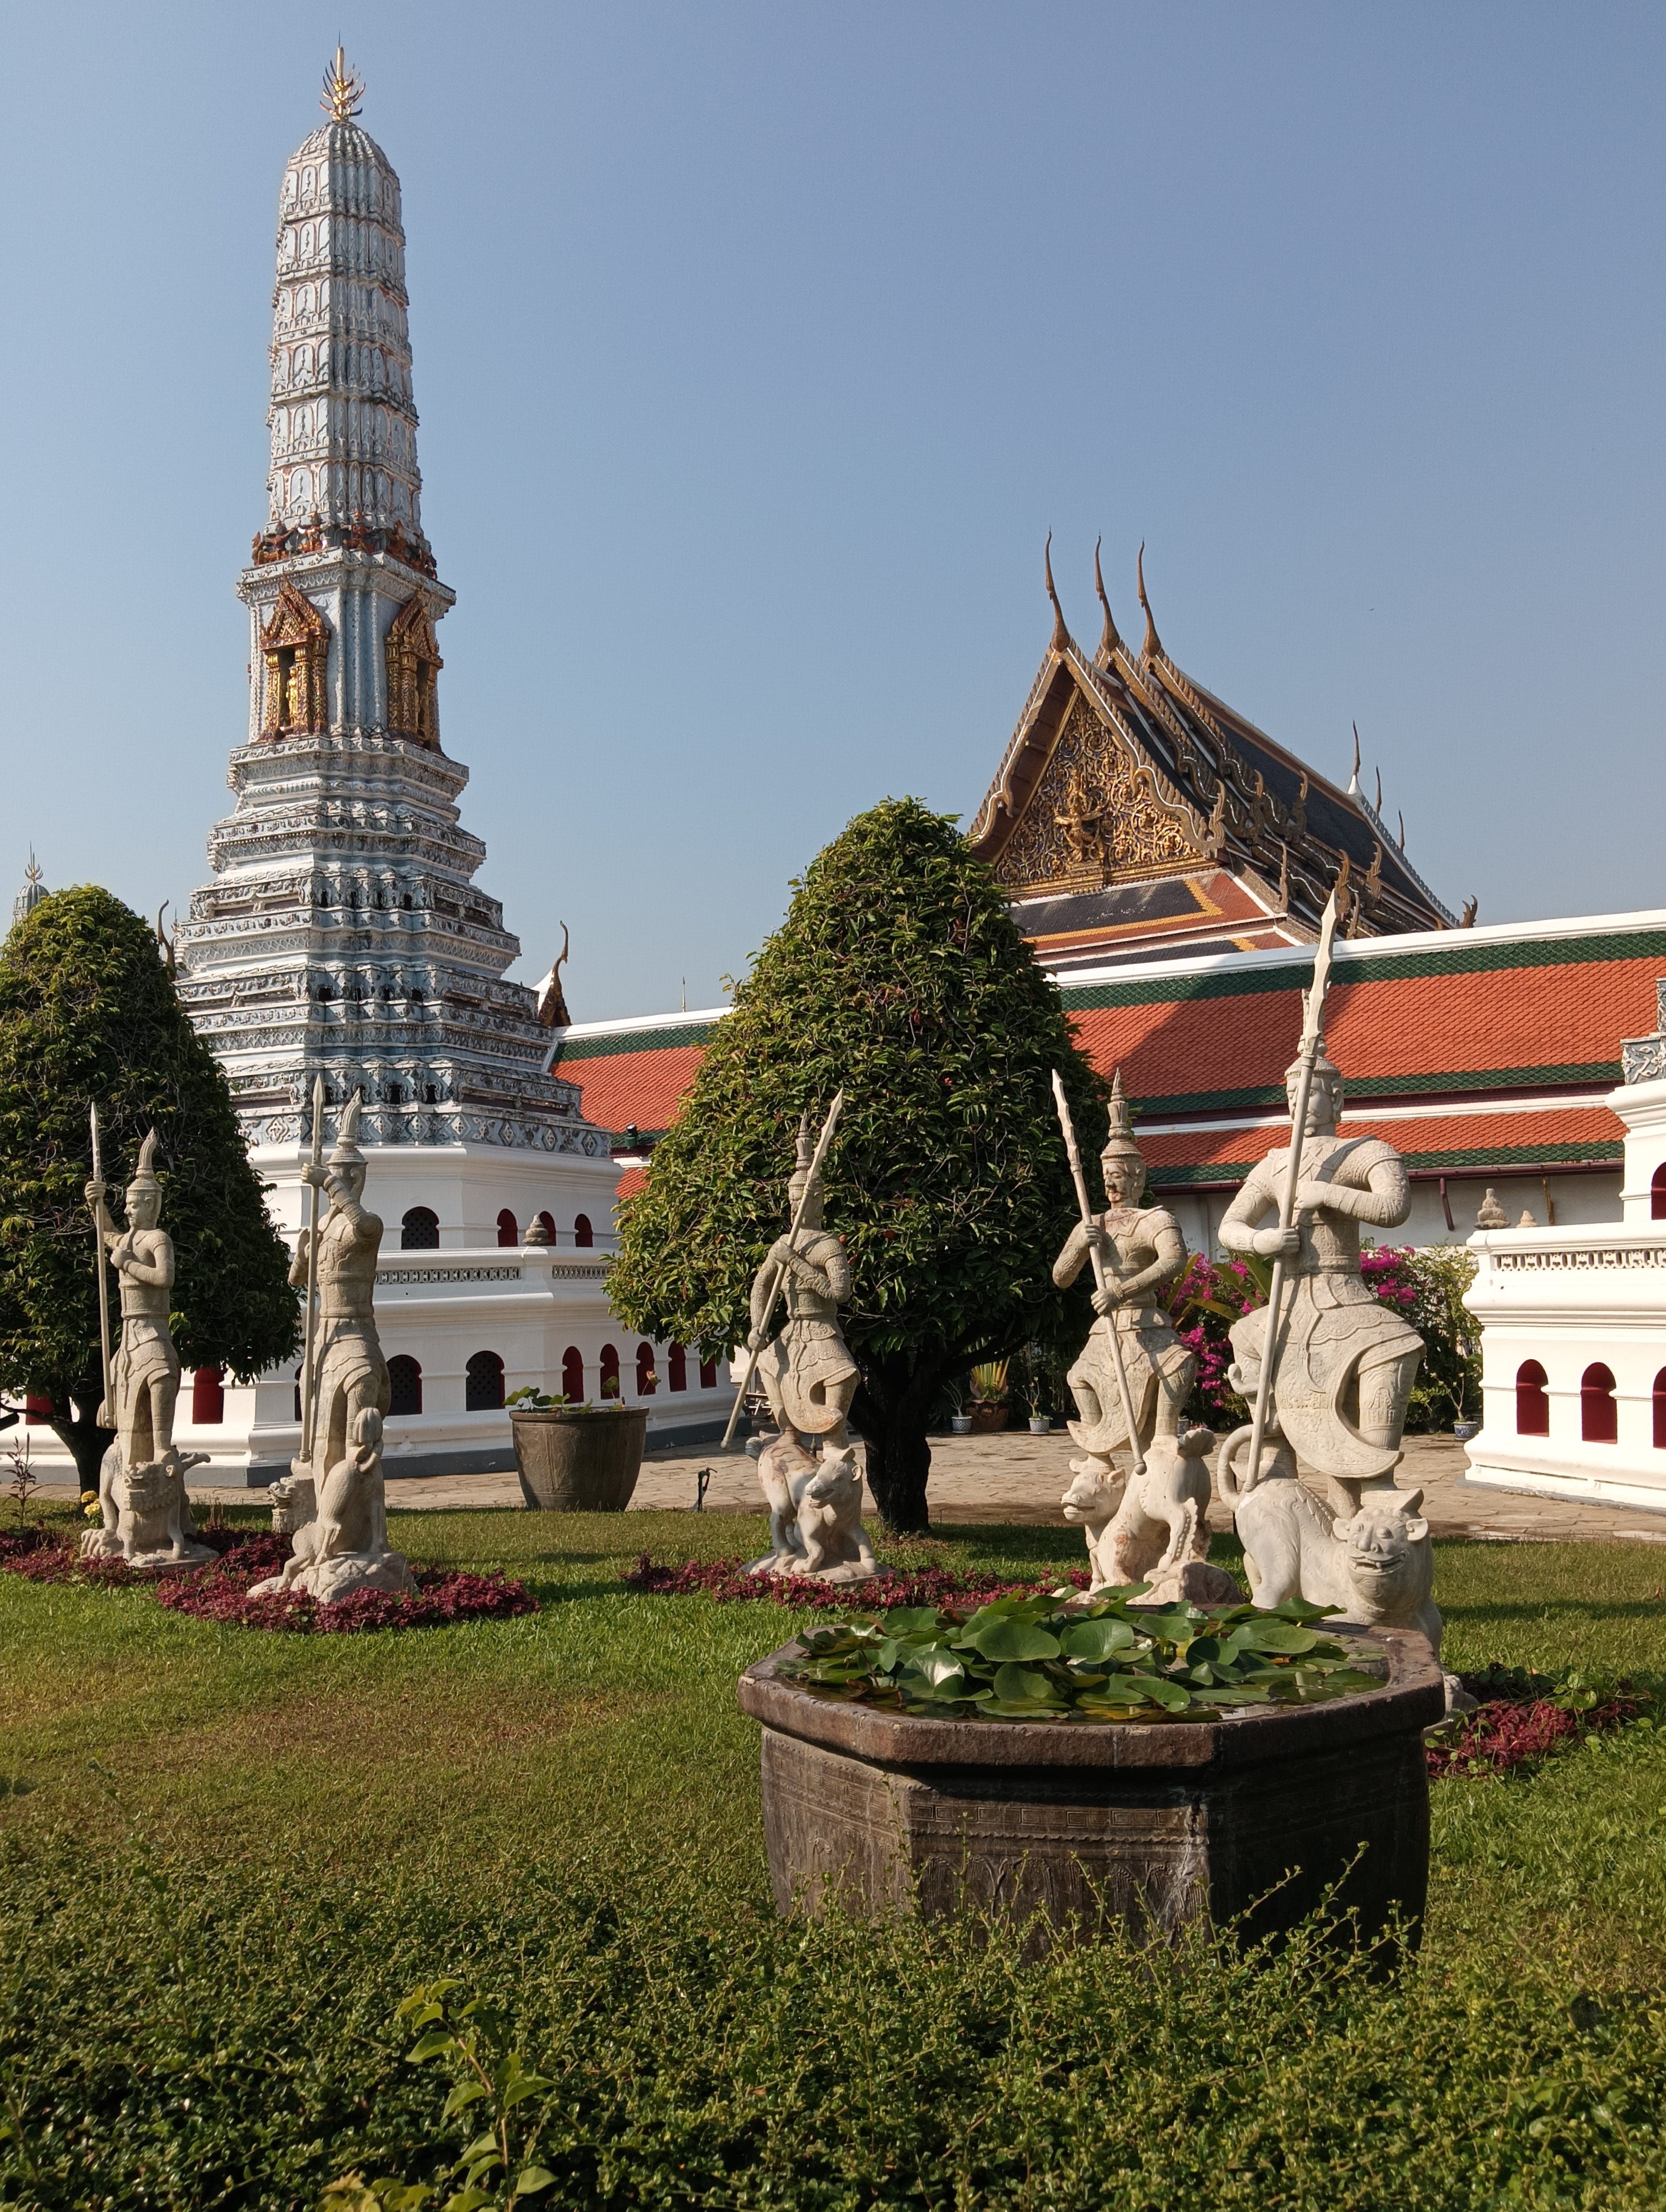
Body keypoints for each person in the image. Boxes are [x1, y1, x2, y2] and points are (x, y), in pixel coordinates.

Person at [1217, 1040, 1422, 1491]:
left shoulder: (1365, 1151)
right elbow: (1230, 1226)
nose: (1297, 1103)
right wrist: (1263, 1240)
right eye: (1291, 1095)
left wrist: (1327, 1194)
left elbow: (1394, 1207)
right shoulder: (1274, 1164)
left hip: (1342, 1290)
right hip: (1290, 1298)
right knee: (1245, 1337)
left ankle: (1375, 1473)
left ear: (1336, 1098)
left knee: (1396, 1345)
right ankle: (1272, 1457)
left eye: (1308, 1092)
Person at [1052, 1073, 1193, 1460]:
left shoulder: (1154, 1220)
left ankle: (1164, 1441)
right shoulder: (1091, 1223)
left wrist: (1121, 1291)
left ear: (1137, 1176)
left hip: (1145, 1319)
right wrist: (1080, 1243)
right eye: (1105, 1178)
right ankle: (1099, 1456)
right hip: (1107, 1328)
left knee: (1178, 1366)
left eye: (1117, 1177)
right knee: (1078, 1378)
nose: (1110, 1186)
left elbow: (1174, 1260)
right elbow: (1061, 1278)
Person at [292, 1092, 390, 1482]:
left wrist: (330, 1183)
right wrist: (302, 1253)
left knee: (358, 1422)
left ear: (361, 1177)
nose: (344, 1181)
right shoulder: (321, 1228)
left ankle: (357, 1496)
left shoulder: (365, 1225)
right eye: (339, 1174)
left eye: (351, 1175)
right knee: (317, 1425)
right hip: (324, 1333)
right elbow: (297, 1281)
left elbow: (364, 1227)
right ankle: (320, 1493)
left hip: (356, 1332)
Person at [747, 1112, 858, 1445]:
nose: (796, 1210)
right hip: (791, 1330)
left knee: (843, 1377)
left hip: (822, 1330)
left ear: (818, 1203)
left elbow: (841, 1292)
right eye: (792, 1203)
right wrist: (757, 1327)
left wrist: (795, 1262)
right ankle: (787, 1440)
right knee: (767, 1364)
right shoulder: (782, 1243)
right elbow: (761, 1287)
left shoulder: (827, 1246)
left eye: (802, 1202)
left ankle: (833, 1454)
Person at [85, 1130, 178, 1472]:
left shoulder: (158, 1238)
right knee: (123, 1394)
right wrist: (97, 1203)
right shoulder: (130, 1237)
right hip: (129, 1333)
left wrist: (127, 1264)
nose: (128, 1210)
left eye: (134, 1204)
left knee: (162, 1375)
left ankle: (163, 1446)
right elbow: (108, 1236)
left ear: (151, 1205)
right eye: (126, 1204)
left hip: (154, 1328)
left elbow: (164, 1278)